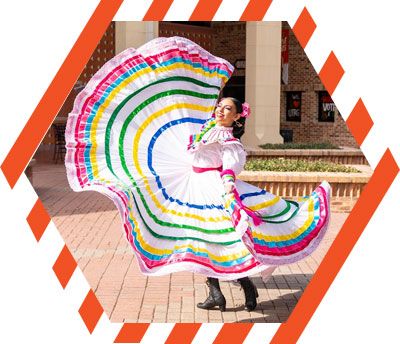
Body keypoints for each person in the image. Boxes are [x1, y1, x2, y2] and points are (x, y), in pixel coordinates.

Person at [65, 36, 330, 314]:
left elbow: (231, 164)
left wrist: (228, 188)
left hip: (211, 187)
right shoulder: (207, 128)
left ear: (237, 117)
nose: (220, 109)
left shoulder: (229, 140)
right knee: (201, 240)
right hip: (190, 181)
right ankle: (221, 292)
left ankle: (242, 287)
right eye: (220, 105)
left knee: (210, 239)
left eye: (227, 108)